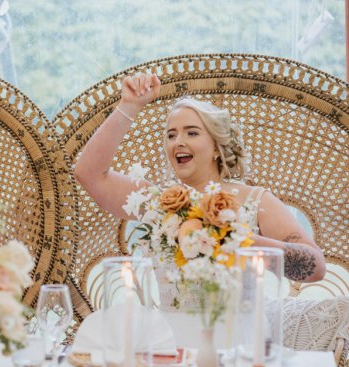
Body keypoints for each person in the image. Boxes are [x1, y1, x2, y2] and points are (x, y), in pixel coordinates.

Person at [74, 73, 326, 308]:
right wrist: (130, 105)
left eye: (191, 133)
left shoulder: (255, 200)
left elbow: (315, 268)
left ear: (217, 147)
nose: (178, 142)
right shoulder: (159, 203)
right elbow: (89, 174)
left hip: (239, 341)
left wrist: (233, 238)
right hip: (176, 343)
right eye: (171, 135)